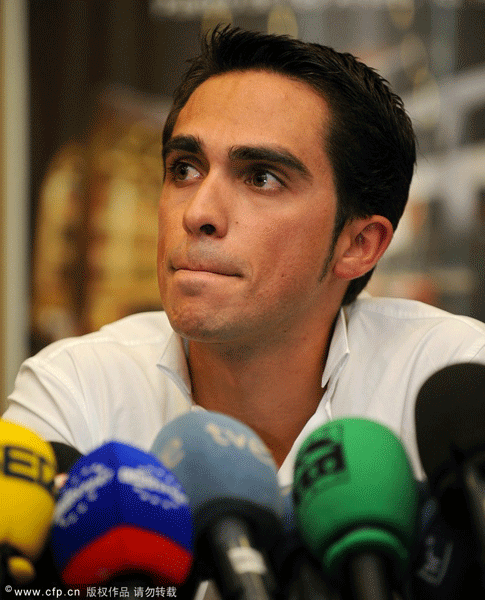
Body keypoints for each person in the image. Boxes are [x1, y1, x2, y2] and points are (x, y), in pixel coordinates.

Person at [3, 26, 485, 486]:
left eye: (261, 178)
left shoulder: (457, 384)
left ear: (358, 245)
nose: (198, 213)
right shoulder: (78, 391)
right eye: (185, 169)